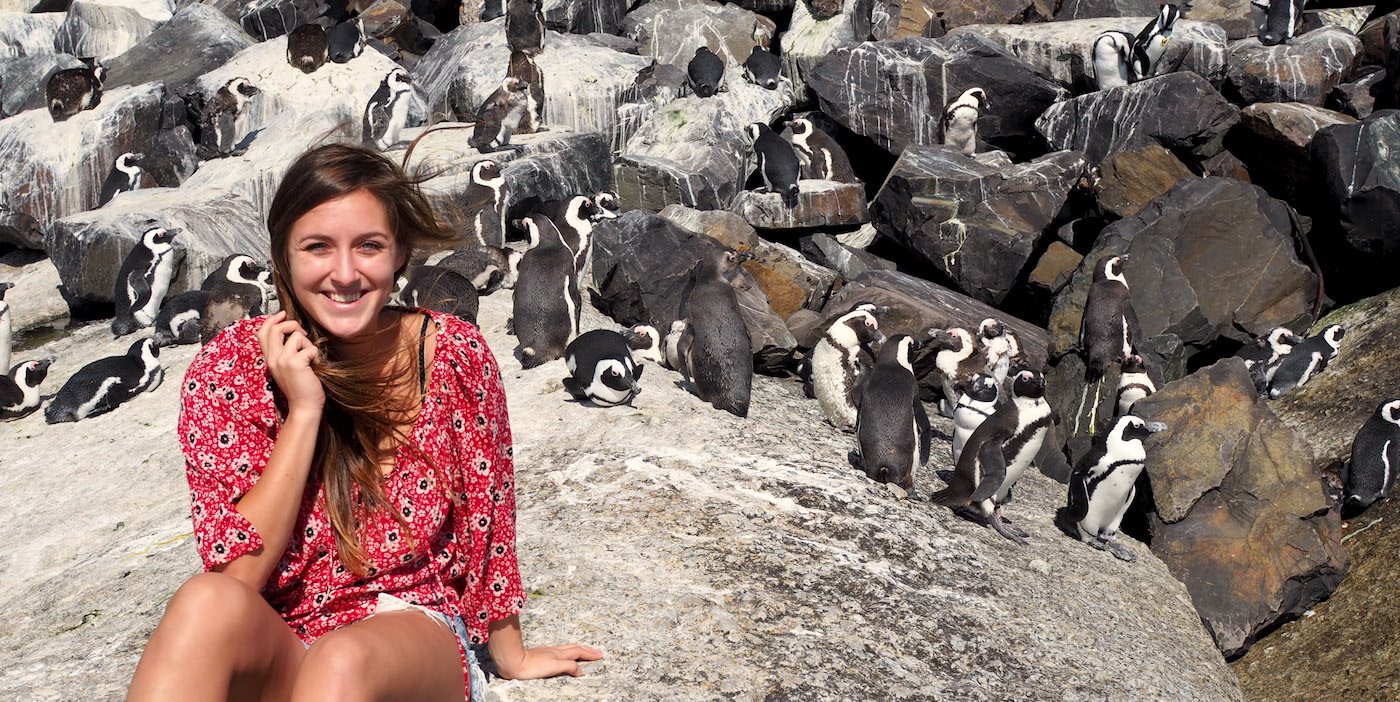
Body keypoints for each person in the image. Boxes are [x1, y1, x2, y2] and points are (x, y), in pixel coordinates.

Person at [126, 143, 602, 702]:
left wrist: (510, 654)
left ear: (400, 253)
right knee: (202, 602)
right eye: (318, 247)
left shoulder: (451, 355)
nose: (345, 274)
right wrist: (304, 413)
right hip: (281, 637)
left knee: (341, 661)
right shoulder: (227, 370)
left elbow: (488, 518)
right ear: (282, 254)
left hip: (406, 629)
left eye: (369, 246)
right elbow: (237, 579)